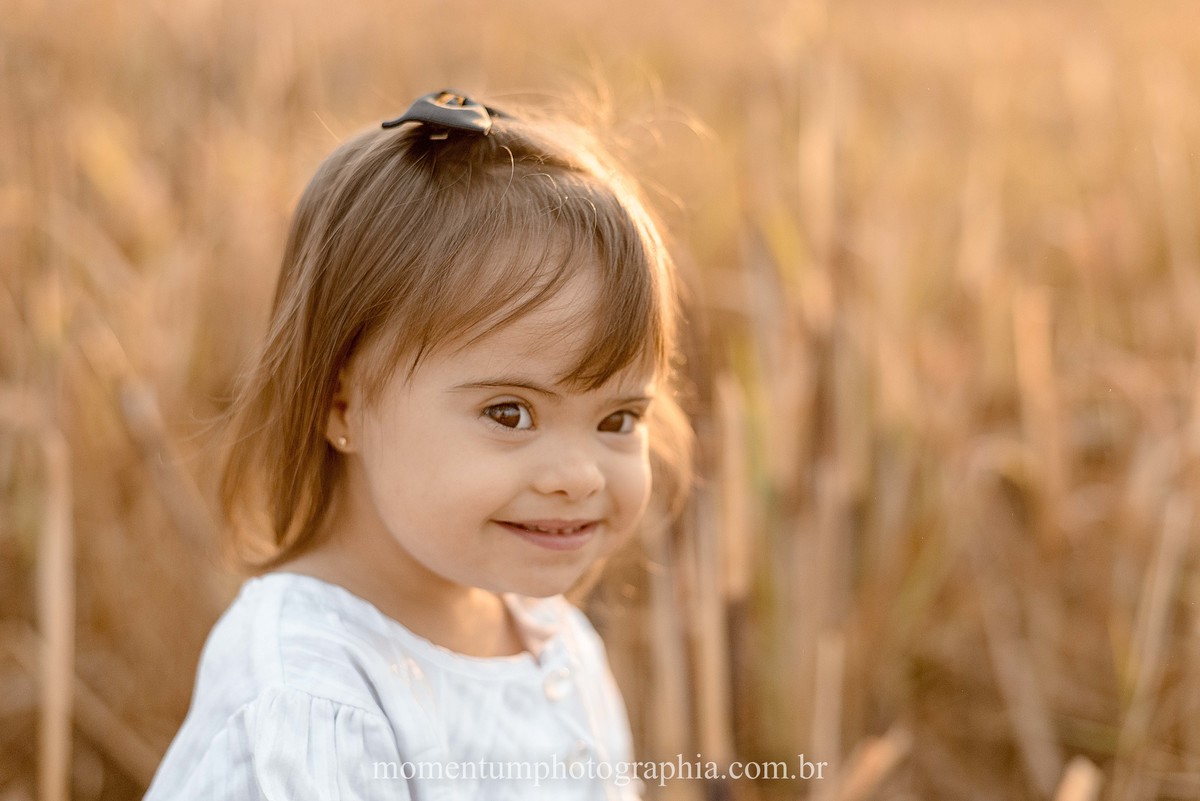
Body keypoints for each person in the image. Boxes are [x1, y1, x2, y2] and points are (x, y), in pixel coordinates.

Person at [144, 90, 692, 800]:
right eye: (510, 411)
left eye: (618, 419)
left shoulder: (551, 642)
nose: (579, 475)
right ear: (343, 402)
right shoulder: (306, 701)